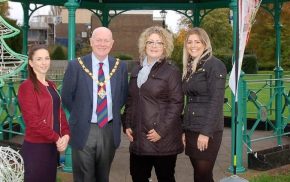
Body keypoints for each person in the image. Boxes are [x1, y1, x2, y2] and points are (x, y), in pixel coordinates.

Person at [61, 27, 128, 182]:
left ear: (112, 43)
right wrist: (82, 113)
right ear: (91, 42)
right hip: (84, 129)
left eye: (106, 40)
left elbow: (122, 96)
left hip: (109, 129)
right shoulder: (75, 66)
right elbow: (66, 97)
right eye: (98, 40)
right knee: (85, 177)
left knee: (103, 176)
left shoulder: (120, 66)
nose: (102, 44)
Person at [123, 26, 184, 182]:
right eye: (150, 42)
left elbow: (176, 104)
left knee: (165, 178)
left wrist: (160, 130)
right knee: (138, 177)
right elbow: (131, 100)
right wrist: (127, 124)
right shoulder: (137, 70)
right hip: (138, 138)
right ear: (144, 45)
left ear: (165, 47)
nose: (154, 46)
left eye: (159, 42)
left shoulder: (171, 71)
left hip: (162, 139)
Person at [18, 44, 70, 182]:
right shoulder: (26, 87)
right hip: (37, 148)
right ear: (31, 63)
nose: (44, 62)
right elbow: (33, 122)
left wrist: (66, 134)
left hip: (51, 147)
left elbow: (60, 112)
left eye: (46, 58)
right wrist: (57, 138)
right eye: (39, 59)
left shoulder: (51, 84)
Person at [182, 27, 227, 182]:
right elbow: (190, 100)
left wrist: (206, 133)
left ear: (205, 43)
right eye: (189, 42)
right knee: (199, 175)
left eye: (197, 41)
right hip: (191, 127)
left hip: (207, 130)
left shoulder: (214, 64)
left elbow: (216, 101)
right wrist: (184, 129)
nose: (193, 45)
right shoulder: (191, 66)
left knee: (203, 175)